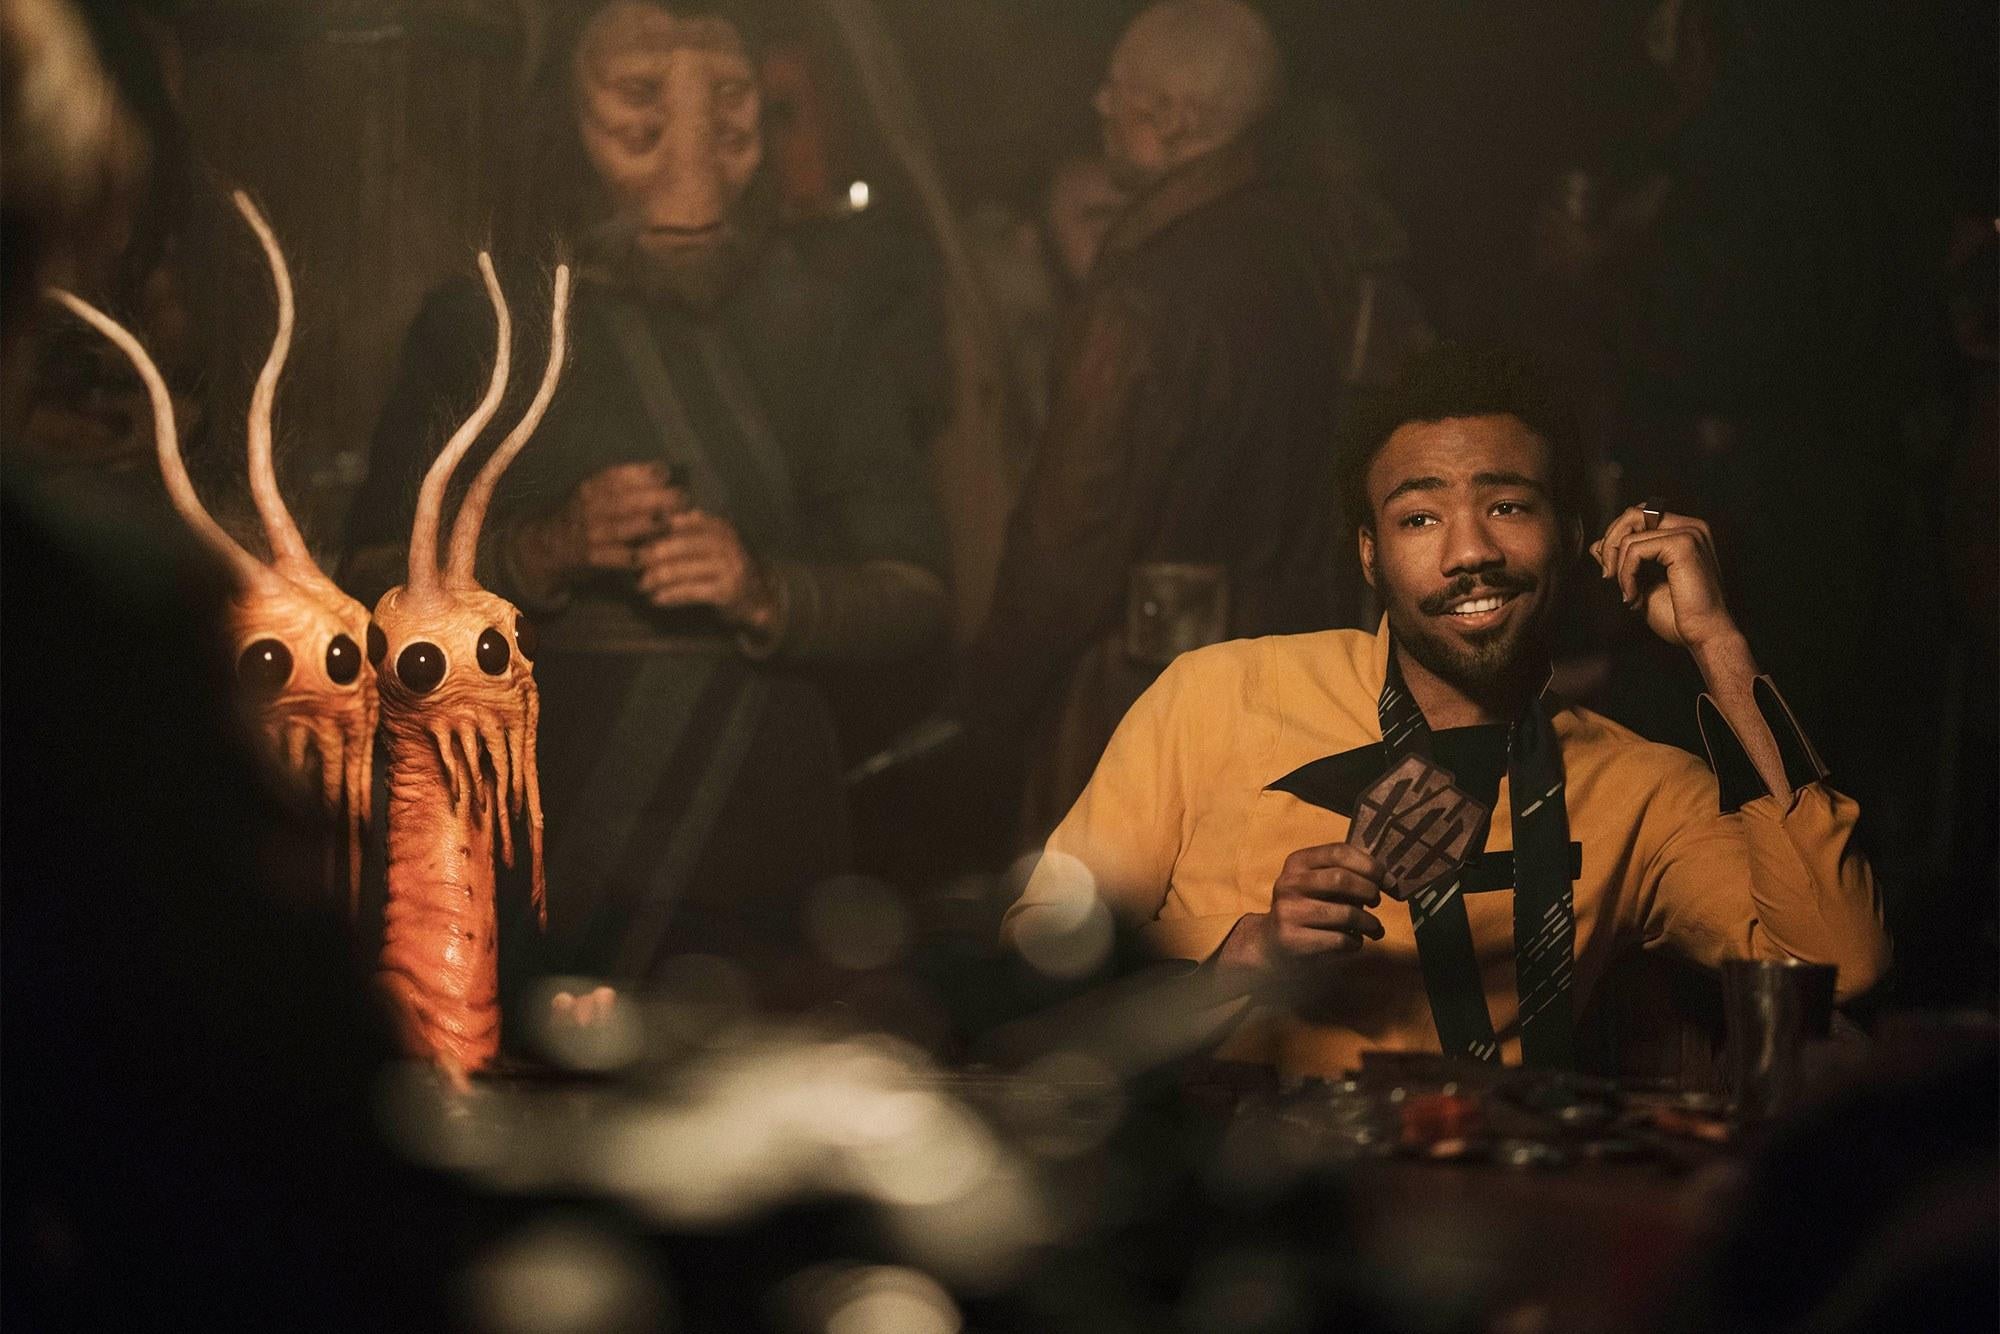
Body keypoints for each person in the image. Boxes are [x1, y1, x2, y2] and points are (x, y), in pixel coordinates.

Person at [1002, 344, 1890, 1078]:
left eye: (1507, 505)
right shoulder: (1219, 696)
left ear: (1569, 534)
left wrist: (1717, 642)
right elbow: (1033, 965)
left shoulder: (1644, 789)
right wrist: (1244, 955)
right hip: (1238, 1185)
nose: (1470, 551)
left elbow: (1839, 969)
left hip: (1492, 1190)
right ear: (1369, 554)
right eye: (1420, 519)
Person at [344, 0, 948, 994]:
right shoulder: (482, 325)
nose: (690, 155)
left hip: (760, 821)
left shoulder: (821, 324)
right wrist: (535, 549)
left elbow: (917, 592)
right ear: (564, 122)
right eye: (638, 102)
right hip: (531, 803)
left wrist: (768, 595)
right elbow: (369, 589)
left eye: (727, 102)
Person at [955, 0, 1376, 842]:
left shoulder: (1144, 298)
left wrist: (988, 704)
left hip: (1145, 713)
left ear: (1177, 120)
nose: (1100, 105)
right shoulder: (1317, 254)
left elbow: (1066, 544)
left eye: (1119, 89)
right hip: (1305, 692)